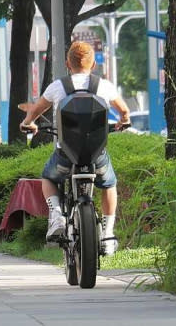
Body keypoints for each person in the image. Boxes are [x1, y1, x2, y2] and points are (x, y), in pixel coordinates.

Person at [20, 42, 130, 256]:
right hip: (96, 156)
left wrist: (28, 122)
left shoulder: (57, 86)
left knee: (49, 177)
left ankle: (57, 215)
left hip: (65, 156)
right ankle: (107, 234)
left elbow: (35, 110)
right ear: (94, 64)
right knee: (109, 183)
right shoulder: (103, 86)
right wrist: (123, 120)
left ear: (67, 64)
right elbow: (124, 110)